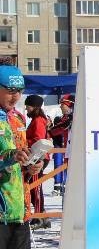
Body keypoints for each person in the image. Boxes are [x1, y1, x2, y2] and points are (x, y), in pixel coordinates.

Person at [0, 66, 43, 249]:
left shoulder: (17, 119)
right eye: (9, 90)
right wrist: (8, 156)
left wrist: (32, 164)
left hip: (19, 208)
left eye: (18, 90)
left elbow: (20, 160)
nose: (14, 96)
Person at [23, 95, 49, 227]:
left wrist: (24, 142)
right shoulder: (37, 120)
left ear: (35, 107)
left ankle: (39, 216)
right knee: (34, 187)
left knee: (35, 187)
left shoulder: (38, 121)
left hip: (38, 157)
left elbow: (38, 139)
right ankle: (43, 215)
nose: (26, 109)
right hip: (37, 156)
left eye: (28, 107)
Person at [49, 95, 74, 195]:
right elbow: (54, 131)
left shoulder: (77, 118)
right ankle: (60, 187)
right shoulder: (65, 119)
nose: (60, 107)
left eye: (62, 105)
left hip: (76, 154)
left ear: (69, 105)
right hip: (66, 152)